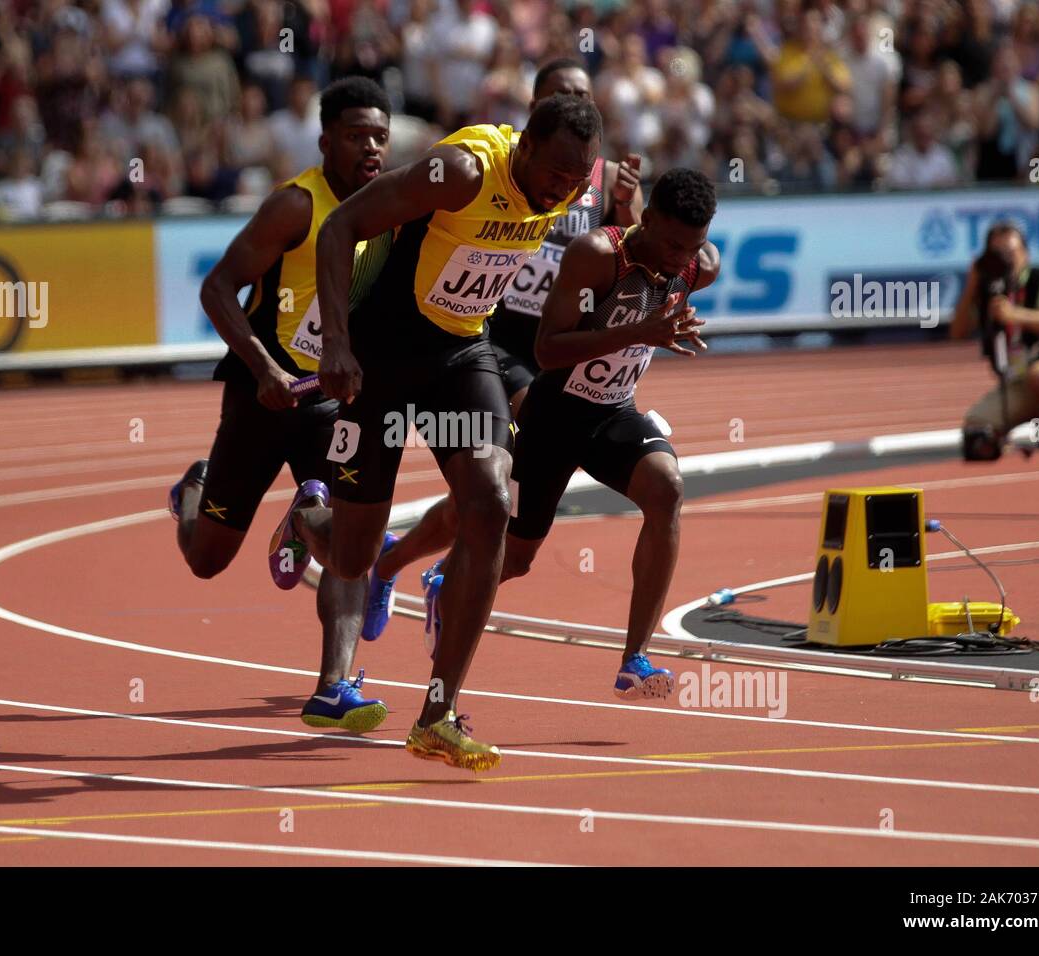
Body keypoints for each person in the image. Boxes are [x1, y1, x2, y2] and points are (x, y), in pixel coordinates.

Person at [272, 94, 604, 771]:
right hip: (385, 357)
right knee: (353, 553)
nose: (563, 191)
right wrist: (335, 341)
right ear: (526, 147)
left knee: (491, 500)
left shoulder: (561, 182)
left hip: (459, 353)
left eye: (578, 182)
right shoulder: (462, 171)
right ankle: (309, 517)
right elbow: (340, 227)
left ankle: (438, 713)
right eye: (556, 175)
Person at [361, 58, 644, 640]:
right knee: (500, 483)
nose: (574, 100)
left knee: (489, 494)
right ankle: (437, 573)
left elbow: (631, 265)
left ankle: (399, 563)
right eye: (561, 94)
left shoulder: (602, 181)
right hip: (502, 340)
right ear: (536, 115)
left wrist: (631, 210)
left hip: (556, 349)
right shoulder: (500, 166)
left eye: (583, 96)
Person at [428, 168, 720, 699]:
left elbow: (703, 263)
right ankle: (449, 578)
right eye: (675, 244)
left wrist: (678, 294)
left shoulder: (698, 266)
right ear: (647, 222)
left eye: (694, 247)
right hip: (553, 420)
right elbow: (547, 350)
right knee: (514, 559)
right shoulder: (595, 255)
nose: (683, 259)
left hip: (613, 415)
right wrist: (641, 332)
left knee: (667, 488)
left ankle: (636, 657)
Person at [167, 77, 395, 732]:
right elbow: (217, 288)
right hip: (263, 397)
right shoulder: (296, 206)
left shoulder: (396, 211)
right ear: (325, 141)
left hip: (329, 402)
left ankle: (333, 687)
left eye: (379, 135)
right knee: (207, 559)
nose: (371, 148)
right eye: (356, 136)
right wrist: (263, 368)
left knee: (351, 535)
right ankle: (191, 492)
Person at [950, 221, 1039, 459]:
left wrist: (1013, 314)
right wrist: (972, 284)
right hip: (1019, 382)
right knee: (976, 426)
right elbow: (958, 332)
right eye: (998, 254)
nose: (1006, 261)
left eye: (1011, 253)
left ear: (1025, 253)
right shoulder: (989, 291)